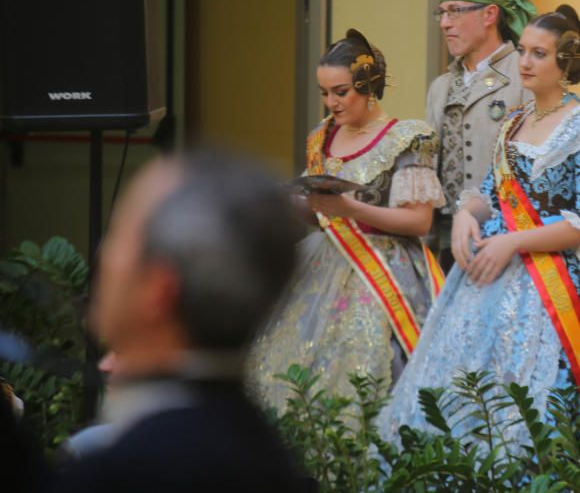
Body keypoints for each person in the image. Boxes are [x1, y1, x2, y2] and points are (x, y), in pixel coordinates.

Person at [378, 5, 580, 444]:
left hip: (560, 286)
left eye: (539, 54)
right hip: (490, 279)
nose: (524, 62)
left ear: (567, 63)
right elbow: (489, 193)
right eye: (522, 50)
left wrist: (513, 243)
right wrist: (465, 213)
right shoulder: (516, 122)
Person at [51, 151, 307, 492]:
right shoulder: (268, 457)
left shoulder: (127, 475)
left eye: (118, 234)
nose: (104, 256)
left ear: (159, 290)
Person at [248, 30, 446, 411]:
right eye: (324, 93)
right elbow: (319, 216)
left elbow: (420, 223)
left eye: (341, 92)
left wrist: (351, 209)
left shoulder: (407, 138)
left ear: (369, 86)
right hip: (324, 261)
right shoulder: (321, 137)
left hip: (386, 269)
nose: (331, 103)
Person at [426, 0, 536, 267]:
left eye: (455, 11)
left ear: (489, 14)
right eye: (442, 13)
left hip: (508, 242)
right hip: (449, 245)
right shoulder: (441, 87)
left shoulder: (526, 76)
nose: (445, 23)